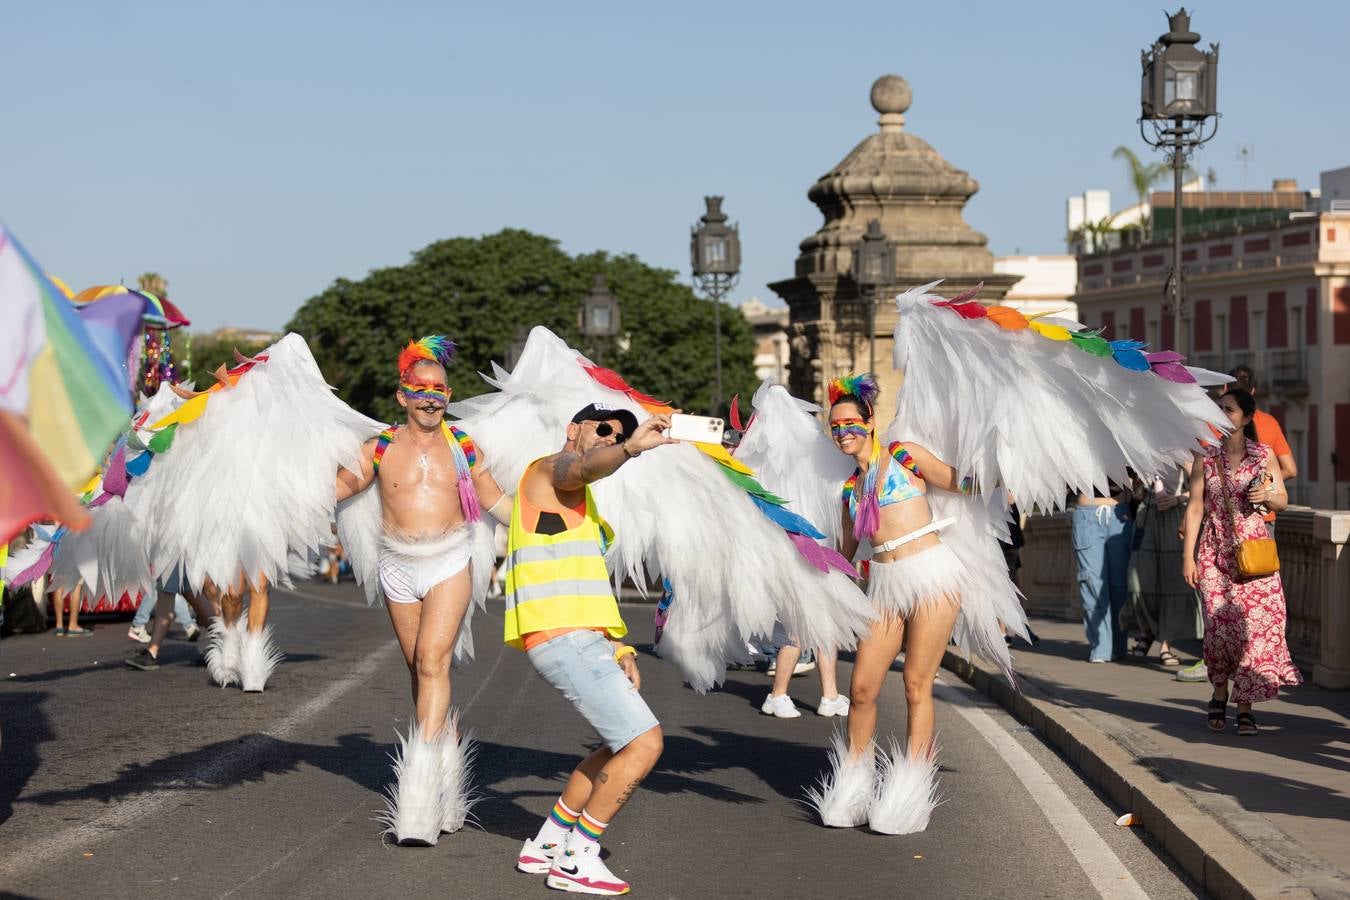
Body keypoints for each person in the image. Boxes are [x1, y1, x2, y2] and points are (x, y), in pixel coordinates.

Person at [335, 335, 506, 846]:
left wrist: (549, 522)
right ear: (402, 395)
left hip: (450, 560)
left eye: (438, 390)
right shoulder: (380, 447)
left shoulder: (464, 447)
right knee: (419, 668)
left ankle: (419, 797)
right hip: (396, 566)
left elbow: (496, 500)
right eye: (420, 390)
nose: (430, 399)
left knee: (432, 661)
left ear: (448, 396)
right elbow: (338, 488)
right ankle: (447, 766)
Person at [511, 403, 673, 895]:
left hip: (580, 636)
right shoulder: (551, 469)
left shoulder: (581, 504)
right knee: (645, 744)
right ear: (573, 428)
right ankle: (577, 858)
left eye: (619, 434)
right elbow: (579, 467)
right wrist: (630, 449)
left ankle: (549, 842)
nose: (610, 437)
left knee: (620, 745)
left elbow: (585, 582)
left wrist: (618, 644)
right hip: (562, 636)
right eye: (603, 428)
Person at [809, 373, 974, 834]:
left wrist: (1003, 472)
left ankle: (910, 793)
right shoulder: (850, 489)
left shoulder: (904, 455)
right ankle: (854, 786)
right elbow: (844, 554)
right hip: (883, 584)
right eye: (835, 427)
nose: (843, 432)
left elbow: (961, 484)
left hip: (931, 575)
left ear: (869, 422)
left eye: (850, 423)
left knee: (916, 685)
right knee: (861, 688)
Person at [1182, 388, 1301, 735]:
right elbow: (1195, 507)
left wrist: (1268, 496)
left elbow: (1282, 501)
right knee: (1219, 629)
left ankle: (1245, 705)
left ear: (1247, 417)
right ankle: (1220, 690)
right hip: (1214, 553)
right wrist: (1188, 557)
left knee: (1255, 629)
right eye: (1219, 408)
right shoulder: (1206, 455)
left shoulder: (1263, 454)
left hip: (1254, 553)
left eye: (1229, 409)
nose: (1222, 414)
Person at [1123, 466, 1200, 668]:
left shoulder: (1181, 452)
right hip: (1147, 518)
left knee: (1170, 582)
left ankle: (1165, 643)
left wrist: (1178, 499)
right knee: (1138, 582)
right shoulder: (1144, 452)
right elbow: (1136, 493)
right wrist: (1139, 483)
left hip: (1173, 518)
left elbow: (1203, 486)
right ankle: (1147, 630)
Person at [1227, 366, 1296, 536]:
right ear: (1253, 391)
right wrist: (1259, 485)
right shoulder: (1269, 422)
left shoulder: (1216, 423)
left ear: (1225, 388)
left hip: (1224, 520)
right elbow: (1290, 469)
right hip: (1263, 516)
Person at [1071, 482, 1134, 663]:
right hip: (1087, 513)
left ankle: (1118, 647)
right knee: (1092, 582)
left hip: (1119, 514)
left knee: (1120, 585)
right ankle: (1100, 648)